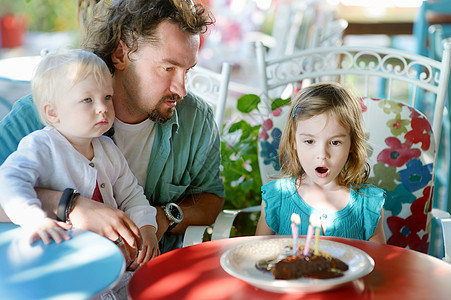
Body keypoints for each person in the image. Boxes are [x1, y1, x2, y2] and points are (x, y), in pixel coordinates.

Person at [0, 0, 224, 260]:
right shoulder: (45, 113)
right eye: (168, 68)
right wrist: (70, 206)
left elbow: (211, 199)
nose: (181, 89)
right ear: (120, 55)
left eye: (188, 70)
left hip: (144, 272)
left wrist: (162, 218)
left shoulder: (195, 118)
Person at [0, 49, 160, 266]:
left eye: (107, 97)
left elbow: (132, 195)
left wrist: (147, 228)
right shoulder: (42, 146)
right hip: (59, 261)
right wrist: (35, 220)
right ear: (53, 113)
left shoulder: (108, 150)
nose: (103, 108)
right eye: (87, 100)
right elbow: (9, 181)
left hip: (108, 261)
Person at [255, 82, 386, 243]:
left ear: (351, 144)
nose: (322, 155)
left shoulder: (369, 205)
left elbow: (379, 263)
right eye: (309, 141)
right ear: (294, 142)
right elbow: (257, 254)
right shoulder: (277, 197)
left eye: (335, 142)